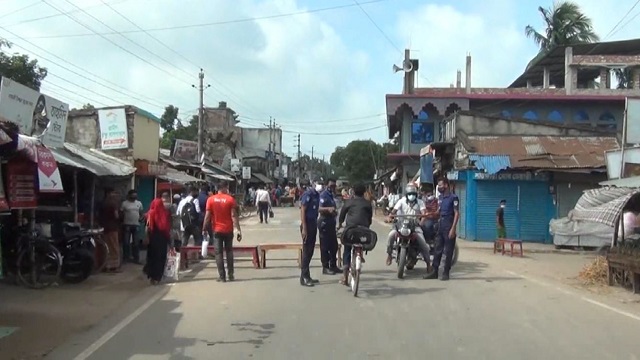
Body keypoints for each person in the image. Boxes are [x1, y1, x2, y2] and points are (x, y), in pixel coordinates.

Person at [386, 183, 432, 276]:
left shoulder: (420, 202)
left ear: (416, 195)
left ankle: (428, 264)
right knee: (390, 236)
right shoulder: (401, 201)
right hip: (400, 225)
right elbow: (393, 211)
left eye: (414, 194)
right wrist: (390, 217)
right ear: (406, 195)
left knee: (424, 244)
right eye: (410, 194)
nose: (412, 196)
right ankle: (389, 255)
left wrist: (421, 221)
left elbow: (424, 213)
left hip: (415, 226)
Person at [203, 180, 242, 282]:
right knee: (229, 251)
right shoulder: (230, 199)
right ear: (225, 188)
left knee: (218, 253)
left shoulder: (210, 200)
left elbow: (207, 217)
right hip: (228, 230)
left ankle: (222, 276)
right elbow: (233, 216)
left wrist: (204, 228)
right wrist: (238, 230)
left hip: (216, 230)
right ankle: (231, 275)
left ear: (217, 189)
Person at [337, 183, 373, 286]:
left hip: (350, 231)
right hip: (364, 230)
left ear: (353, 191)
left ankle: (345, 277)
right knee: (362, 240)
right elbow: (369, 218)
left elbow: (342, 214)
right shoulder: (367, 203)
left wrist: (340, 224)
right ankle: (360, 254)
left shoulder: (349, 202)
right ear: (364, 192)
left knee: (347, 250)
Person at [426, 178, 460, 281]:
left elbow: (457, 214)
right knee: (437, 249)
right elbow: (438, 212)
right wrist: (430, 214)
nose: (439, 187)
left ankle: (446, 273)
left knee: (448, 251)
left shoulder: (453, 198)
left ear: (446, 185)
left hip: (449, 225)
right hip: (441, 224)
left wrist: (453, 229)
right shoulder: (441, 198)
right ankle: (434, 271)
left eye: (440, 185)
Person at [299, 180, 323, 287]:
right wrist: (304, 228)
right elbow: (303, 210)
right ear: (313, 183)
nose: (320, 185)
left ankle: (305, 276)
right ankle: (305, 276)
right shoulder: (308, 194)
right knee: (307, 251)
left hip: (313, 223)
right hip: (307, 224)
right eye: (319, 183)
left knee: (310, 251)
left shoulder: (317, 195)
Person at [318, 178, 340, 275]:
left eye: (334, 186)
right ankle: (325, 267)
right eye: (331, 186)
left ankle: (333, 265)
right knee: (325, 246)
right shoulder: (323, 195)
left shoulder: (331, 195)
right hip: (324, 222)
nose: (333, 188)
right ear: (327, 185)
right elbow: (319, 208)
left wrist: (334, 211)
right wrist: (328, 209)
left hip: (331, 222)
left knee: (334, 246)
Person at [120, 190, 144, 264]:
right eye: (133, 195)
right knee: (126, 242)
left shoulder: (139, 203)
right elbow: (121, 213)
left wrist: (141, 218)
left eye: (135, 195)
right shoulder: (124, 203)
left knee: (136, 243)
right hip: (127, 224)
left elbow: (141, 213)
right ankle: (126, 258)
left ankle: (136, 259)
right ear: (129, 195)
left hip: (136, 225)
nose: (134, 197)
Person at [101, 188, 121, 272]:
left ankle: (106, 265)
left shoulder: (103, 203)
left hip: (105, 228)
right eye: (114, 193)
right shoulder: (113, 204)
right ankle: (114, 266)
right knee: (114, 247)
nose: (115, 195)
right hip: (112, 228)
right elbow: (116, 216)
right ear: (109, 193)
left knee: (107, 247)